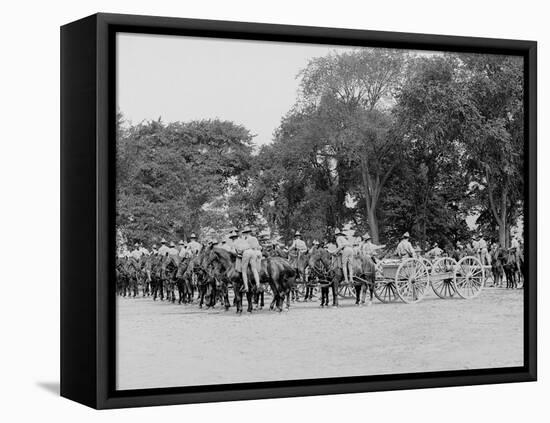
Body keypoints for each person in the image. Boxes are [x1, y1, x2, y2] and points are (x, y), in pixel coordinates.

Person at [239, 226, 263, 292]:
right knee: (254, 269)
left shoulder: (245, 240)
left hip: (246, 252)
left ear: (245, 233)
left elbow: (241, 249)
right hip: (253, 252)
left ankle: (246, 287)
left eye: (244, 233)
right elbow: (258, 247)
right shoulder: (254, 238)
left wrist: (239, 251)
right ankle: (258, 284)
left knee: (243, 270)